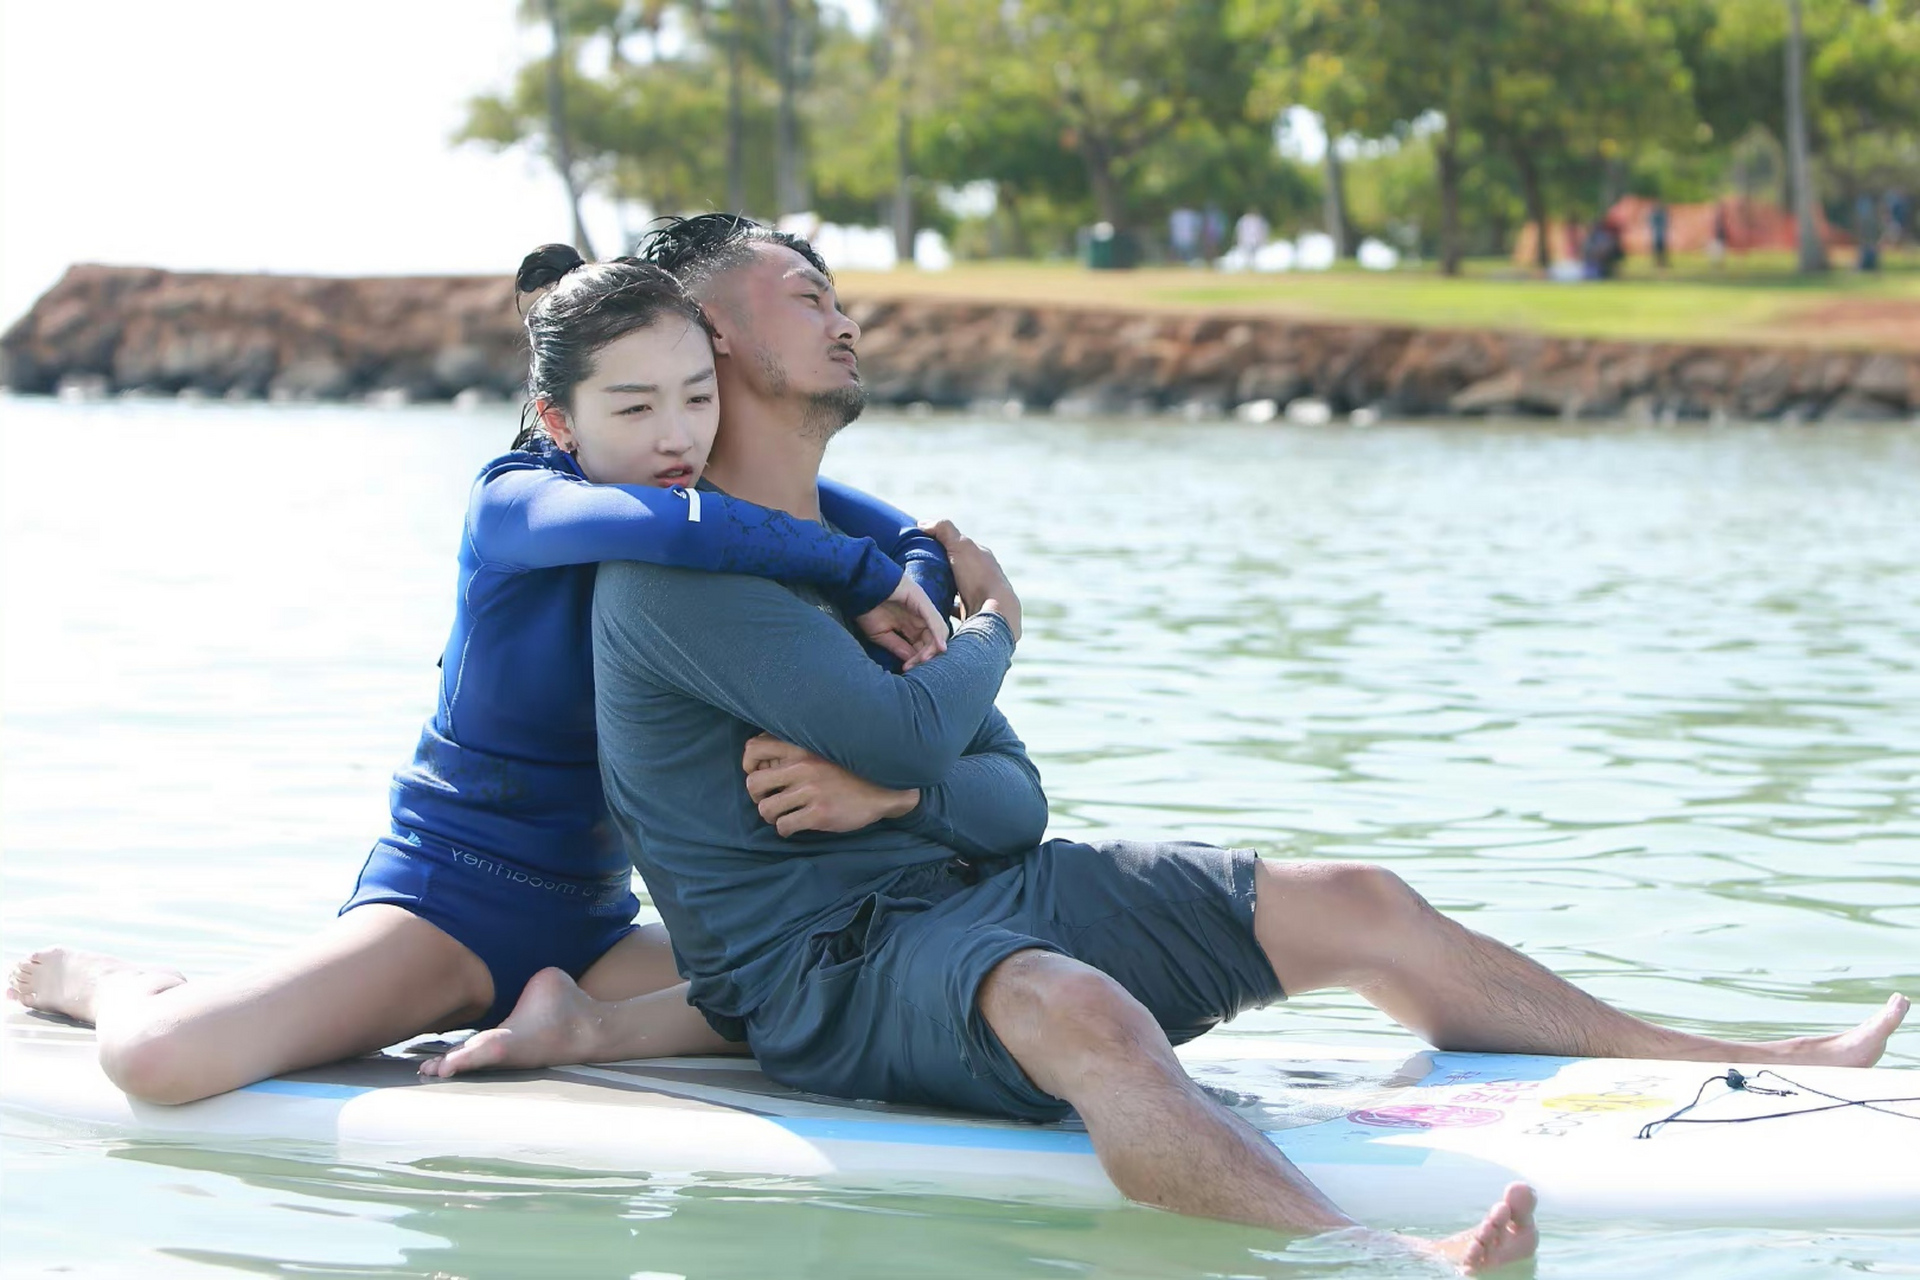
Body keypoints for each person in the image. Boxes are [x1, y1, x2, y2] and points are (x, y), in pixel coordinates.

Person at [436, 215, 1908, 1273]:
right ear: (717, 344)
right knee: (1077, 1004)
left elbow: (1015, 802)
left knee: (1360, 904)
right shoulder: (690, 575)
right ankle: (1390, 1258)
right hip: (838, 977)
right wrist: (995, 637)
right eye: (806, 294)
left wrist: (897, 778)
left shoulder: (862, 551)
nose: (844, 317)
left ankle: (1738, 1055)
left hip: (970, 898)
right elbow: (933, 729)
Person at [5, 248, 954, 1104]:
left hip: (596, 928)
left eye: (699, 397)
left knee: (825, 996)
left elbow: (911, 535)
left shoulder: (706, 501)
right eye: (634, 406)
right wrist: (859, 573)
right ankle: (124, 986)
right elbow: (673, 528)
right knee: (159, 1061)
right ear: (556, 415)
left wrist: (914, 588)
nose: (677, 438)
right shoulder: (517, 501)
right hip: (445, 904)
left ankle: (575, 1026)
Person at [1649, 200, 1670, 270]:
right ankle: (1659, 263)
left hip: (1660, 235)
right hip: (1657, 235)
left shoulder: (1659, 215)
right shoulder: (1656, 215)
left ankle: (1661, 263)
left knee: (1661, 250)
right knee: (1657, 250)